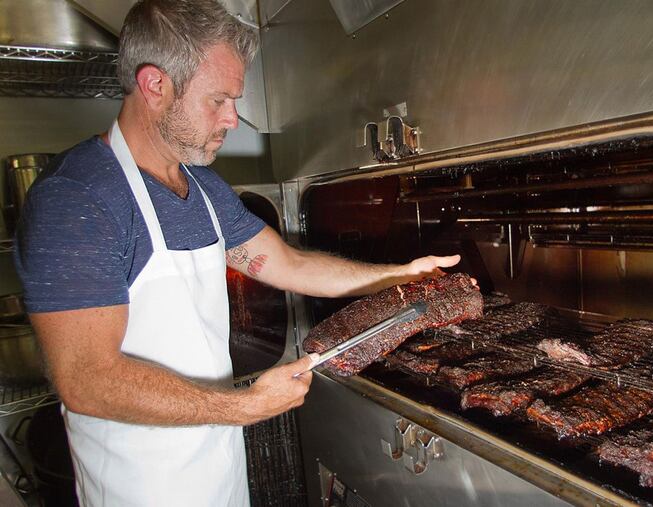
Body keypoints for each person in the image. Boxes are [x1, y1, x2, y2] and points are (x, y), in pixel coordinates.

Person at [13, 0, 464, 505]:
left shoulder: (202, 187)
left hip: (220, 465)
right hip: (140, 485)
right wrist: (243, 407)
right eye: (218, 100)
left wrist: (399, 277)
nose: (232, 119)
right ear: (155, 85)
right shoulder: (76, 197)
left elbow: (288, 264)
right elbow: (87, 381)